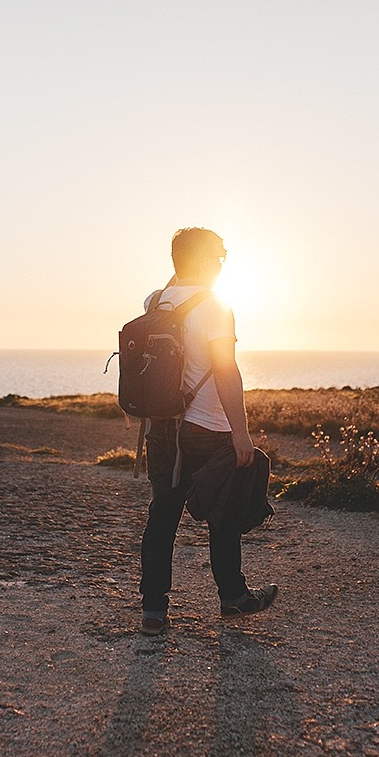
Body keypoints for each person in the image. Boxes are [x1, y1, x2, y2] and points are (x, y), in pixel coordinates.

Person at [138, 227, 278, 636]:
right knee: (224, 515)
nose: (222, 262)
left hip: (162, 429)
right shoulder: (216, 307)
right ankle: (234, 598)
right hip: (207, 427)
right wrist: (241, 433)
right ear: (200, 259)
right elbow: (225, 369)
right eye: (218, 255)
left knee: (163, 515)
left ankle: (153, 610)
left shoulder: (154, 301)